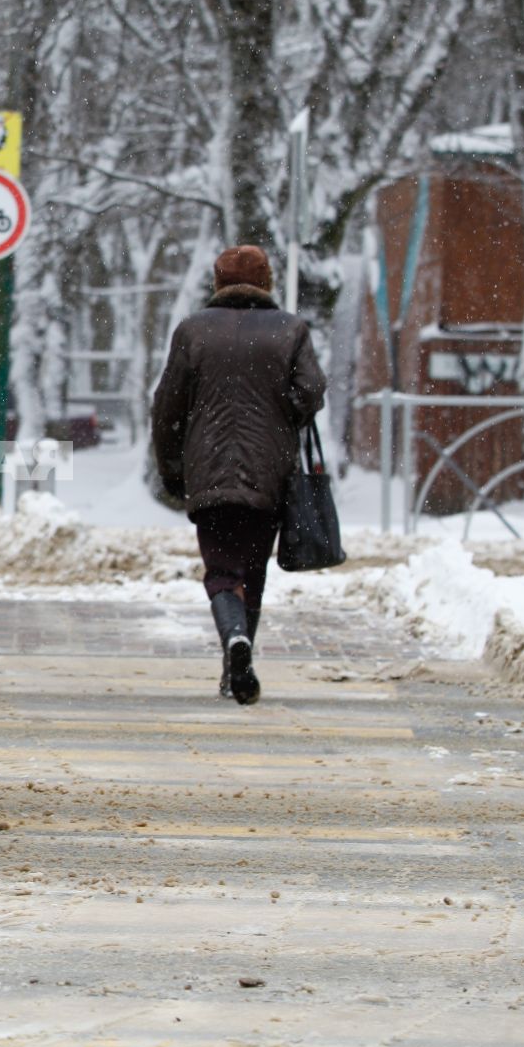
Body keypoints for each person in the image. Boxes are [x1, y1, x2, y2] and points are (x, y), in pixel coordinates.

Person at [151, 245, 326, 705]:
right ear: (266, 281)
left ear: (217, 282)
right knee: (254, 568)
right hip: (269, 473)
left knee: (222, 571)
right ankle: (239, 659)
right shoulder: (290, 329)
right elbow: (312, 391)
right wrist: (280, 412)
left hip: (207, 470)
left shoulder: (193, 332)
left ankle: (234, 647)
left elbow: (167, 406)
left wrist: (171, 470)